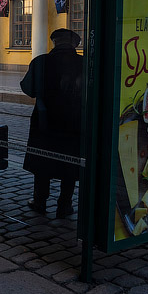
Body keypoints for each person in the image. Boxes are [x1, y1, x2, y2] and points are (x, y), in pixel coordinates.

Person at [21, 28, 84, 217]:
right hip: (74, 121)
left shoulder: (41, 61)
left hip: (45, 121)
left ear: (54, 42)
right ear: (75, 44)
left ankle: (39, 201)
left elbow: (28, 89)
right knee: (70, 163)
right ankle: (64, 205)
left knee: (43, 161)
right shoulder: (83, 63)